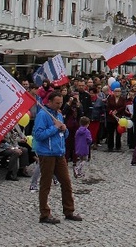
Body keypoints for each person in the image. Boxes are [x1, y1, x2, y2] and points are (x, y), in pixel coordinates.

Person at [32, 92, 82, 224]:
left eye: (60, 103)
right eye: (57, 103)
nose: (59, 105)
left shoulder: (59, 114)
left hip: (59, 153)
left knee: (66, 183)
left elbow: (64, 135)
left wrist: (64, 130)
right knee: (46, 184)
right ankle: (44, 214)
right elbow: (38, 135)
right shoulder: (43, 115)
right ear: (50, 102)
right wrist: (54, 127)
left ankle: (69, 210)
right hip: (47, 154)